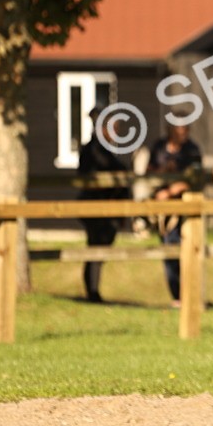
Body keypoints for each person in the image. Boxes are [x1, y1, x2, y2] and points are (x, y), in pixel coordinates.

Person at [77, 104, 131, 303]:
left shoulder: (104, 150)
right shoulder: (93, 150)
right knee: (95, 248)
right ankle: (92, 292)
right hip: (97, 210)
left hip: (109, 211)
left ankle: (93, 290)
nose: (116, 132)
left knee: (99, 249)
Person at [147, 123, 203, 307]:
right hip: (164, 210)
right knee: (169, 252)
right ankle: (177, 297)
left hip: (186, 209)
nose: (183, 134)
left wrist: (170, 191)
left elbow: (194, 178)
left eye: (185, 129)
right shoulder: (159, 147)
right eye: (179, 130)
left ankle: (191, 295)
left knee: (190, 250)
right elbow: (149, 171)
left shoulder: (192, 150)